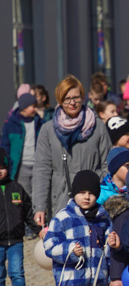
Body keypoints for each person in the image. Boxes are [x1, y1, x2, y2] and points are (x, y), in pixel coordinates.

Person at [32, 75, 112, 225]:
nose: (72, 102)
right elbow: (41, 170)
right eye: (67, 98)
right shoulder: (48, 130)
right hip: (61, 200)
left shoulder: (98, 126)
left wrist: (103, 193)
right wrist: (40, 206)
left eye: (76, 97)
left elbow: (107, 165)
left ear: (83, 97)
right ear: (59, 100)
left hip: (94, 199)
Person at [0, 148, 39, 286]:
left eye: (2, 167)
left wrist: (39, 230)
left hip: (15, 240)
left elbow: (28, 212)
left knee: (17, 272)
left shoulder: (16, 188)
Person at [1, 92, 43, 195]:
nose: (36, 109)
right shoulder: (10, 124)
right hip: (20, 166)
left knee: (38, 192)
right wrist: (6, 164)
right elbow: (5, 147)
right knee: (24, 193)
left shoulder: (40, 123)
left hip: (37, 164)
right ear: (24, 108)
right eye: (33, 106)